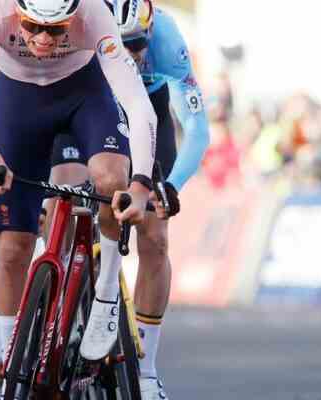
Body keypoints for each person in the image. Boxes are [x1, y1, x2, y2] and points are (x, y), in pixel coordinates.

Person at [0, 0, 158, 395]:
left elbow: (136, 104)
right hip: (19, 101)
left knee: (110, 178)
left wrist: (142, 185)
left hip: (84, 92)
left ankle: (107, 296)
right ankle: (9, 365)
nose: (44, 39)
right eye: (32, 27)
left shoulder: (94, 11)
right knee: (13, 249)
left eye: (58, 29)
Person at [45, 0, 209, 397]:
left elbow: (197, 127)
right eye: (120, 44)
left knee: (155, 236)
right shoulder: (74, 25)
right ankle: (45, 320)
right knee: (58, 201)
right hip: (86, 101)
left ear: (150, 32)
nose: (130, 56)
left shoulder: (168, 39)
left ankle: (148, 371)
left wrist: (171, 184)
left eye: (136, 44)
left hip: (144, 111)